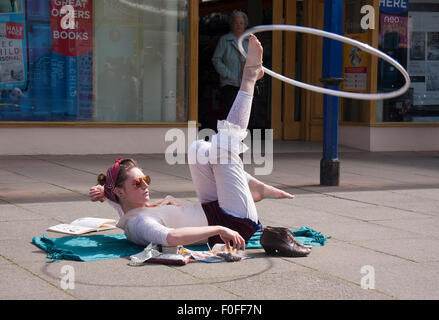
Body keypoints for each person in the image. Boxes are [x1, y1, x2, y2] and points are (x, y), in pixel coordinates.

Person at [89, 35, 306, 254]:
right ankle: (249, 77)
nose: (146, 186)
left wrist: (104, 192)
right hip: (235, 224)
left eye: (145, 179)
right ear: (121, 191)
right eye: (138, 183)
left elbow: (116, 199)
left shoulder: (125, 205)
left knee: (198, 149)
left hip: (217, 209)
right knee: (221, 147)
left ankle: (254, 187)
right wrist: (220, 228)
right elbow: (171, 237)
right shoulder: (138, 224)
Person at [212, 10, 250, 117]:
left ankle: (243, 134)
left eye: (241, 23)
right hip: (229, 84)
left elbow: (255, 61)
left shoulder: (249, 40)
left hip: (246, 84)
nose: (239, 26)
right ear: (231, 24)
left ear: (245, 25)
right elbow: (216, 59)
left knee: (245, 114)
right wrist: (227, 74)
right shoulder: (224, 40)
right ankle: (231, 134)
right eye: (236, 23)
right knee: (231, 113)